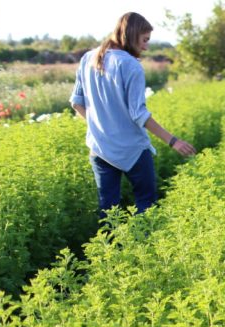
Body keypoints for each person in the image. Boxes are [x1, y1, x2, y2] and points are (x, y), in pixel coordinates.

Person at [70, 12, 196, 219]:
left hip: (100, 148)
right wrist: (173, 141)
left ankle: (112, 251)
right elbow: (139, 114)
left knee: (108, 210)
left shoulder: (87, 58)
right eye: (145, 40)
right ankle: (143, 248)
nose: (146, 47)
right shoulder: (130, 65)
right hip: (133, 149)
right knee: (146, 202)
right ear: (132, 34)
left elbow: (76, 103)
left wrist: (99, 127)